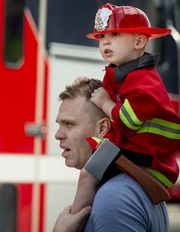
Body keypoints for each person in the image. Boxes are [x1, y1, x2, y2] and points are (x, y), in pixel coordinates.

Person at [70, 3, 180, 215]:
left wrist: (104, 102)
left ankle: (73, 222)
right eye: (101, 37)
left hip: (149, 161)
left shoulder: (145, 83)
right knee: (88, 167)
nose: (105, 42)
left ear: (139, 41)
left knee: (88, 175)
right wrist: (87, 86)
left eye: (114, 33)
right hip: (134, 151)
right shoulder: (120, 73)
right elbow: (111, 97)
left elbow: (128, 122)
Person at [53, 79, 170, 232]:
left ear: (102, 127)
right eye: (59, 124)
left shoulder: (114, 197)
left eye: (69, 124)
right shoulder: (135, 184)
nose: (58, 135)